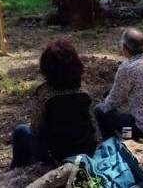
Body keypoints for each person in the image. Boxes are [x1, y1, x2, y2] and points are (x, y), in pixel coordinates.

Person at [11, 39, 98, 168]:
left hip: (55, 156)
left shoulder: (44, 93)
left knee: (21, 131)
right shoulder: (83, 91)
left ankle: (17, 169)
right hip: (85, 152)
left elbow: (35, 128)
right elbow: (91, 123)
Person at [94, 28, 143, 141]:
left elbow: (112, 103)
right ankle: (124, 139)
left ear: (125, 47)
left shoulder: (126, 68)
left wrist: (105, 103)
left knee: (100, 110)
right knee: (114, 101)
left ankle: (112, 145)